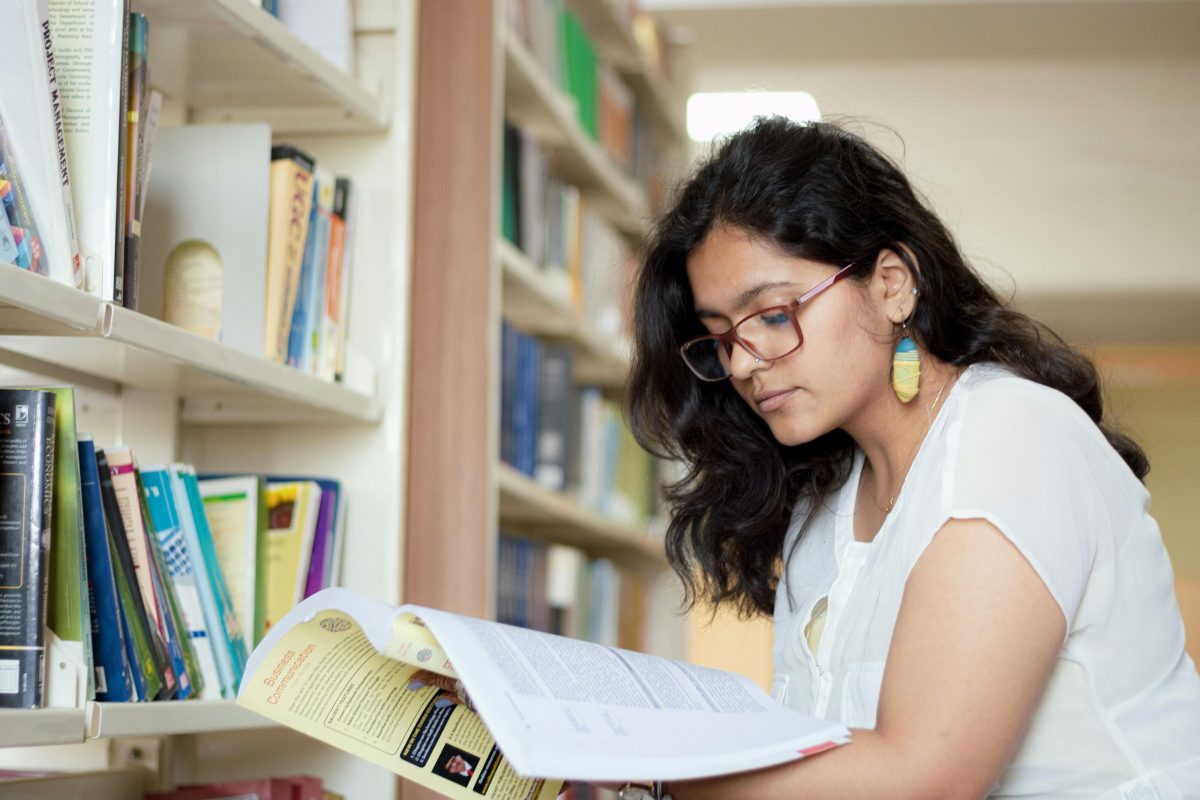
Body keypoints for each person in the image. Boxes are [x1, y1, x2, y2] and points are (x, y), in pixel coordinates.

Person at [622, 117, 1200, 799]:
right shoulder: (824, 509)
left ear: (893, 283)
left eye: (773, 315)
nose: (744, 363)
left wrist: (654, 772)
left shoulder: (1011, 435)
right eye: (719, 338)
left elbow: (923, 777)